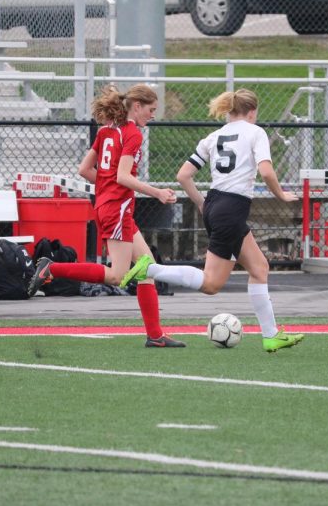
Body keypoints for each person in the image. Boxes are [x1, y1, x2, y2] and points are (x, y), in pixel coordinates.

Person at [119, 88, 305, 353]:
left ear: (230, 110)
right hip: (232, 208)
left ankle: (271, 335)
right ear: (252, 112)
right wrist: (281, 195)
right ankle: (151, 270)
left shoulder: (214, 136)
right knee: (211, 284)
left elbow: (184, 175)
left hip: (216, 205)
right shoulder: (256, 132)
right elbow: (266, 170)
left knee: (259, 268)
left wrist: (201, 202)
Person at [27, 84, 185, 348]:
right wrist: (156, 192)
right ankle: (50, 267)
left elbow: (84, 169)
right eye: (151, 110)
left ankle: (155, 335)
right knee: (116, 276)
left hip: (109, 205)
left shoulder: (108, 130)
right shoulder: (132, 133)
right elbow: (123, 177)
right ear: (137, 106)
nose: (153, 115)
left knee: (146, 267)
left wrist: (108, 185)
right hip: (117, 208)